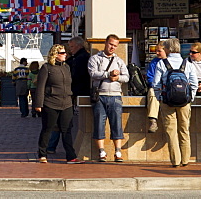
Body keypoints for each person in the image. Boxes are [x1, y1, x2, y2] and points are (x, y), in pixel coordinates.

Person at [153, 38, 199, 168]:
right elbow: (194, 83)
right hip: (184, 101)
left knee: (171, 131)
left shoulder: (162, 64)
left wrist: (159, 97)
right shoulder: (187, 63)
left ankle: (175, 160)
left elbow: (156, 84)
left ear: (167, 49)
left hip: (168, 101)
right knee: (184, 130)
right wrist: (191, 97)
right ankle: (185, 159)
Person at [32, 44, 81, 163]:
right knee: (47, 129)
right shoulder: (46, 68)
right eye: (62, 53)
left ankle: (71, 156)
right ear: (55, 54)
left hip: (67, 103)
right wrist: (38, 104)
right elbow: (40, 87)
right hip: (50, 103)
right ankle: (42, 154)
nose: (65, 55)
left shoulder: (66, 67)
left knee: (67, 130)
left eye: (65, 53)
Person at [87, 34, 129, 162]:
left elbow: (126, 77)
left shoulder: (119, 61)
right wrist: (108, 74)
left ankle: (118, 152)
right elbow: (92, 73)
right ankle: (101, 152)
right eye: (111, 44)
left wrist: (117, 78)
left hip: (115, 96)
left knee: (117, 124)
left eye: (115, 46)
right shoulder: (95, 58)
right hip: (100, 95)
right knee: (99, 124)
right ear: (106, 43)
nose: (112, 48)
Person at [48, 36, 90, 153]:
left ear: (79, 46)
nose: (69, 51)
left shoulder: (78, 59)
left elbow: (76, 76)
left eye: (71, 47)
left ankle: (52, 146)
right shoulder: (79, 58)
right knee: (63, 123)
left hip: (72, 93)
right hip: (74, 92)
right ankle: (56, 147)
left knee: (60, 122)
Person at [145, 44, 168, 133]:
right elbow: (150, 77)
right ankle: (153, 121)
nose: (157, 53)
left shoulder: (172, 61)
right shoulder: (154, 62)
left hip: (170, 87)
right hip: (157, 86)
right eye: (156, 51)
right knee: (152, 92)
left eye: (159, 51)